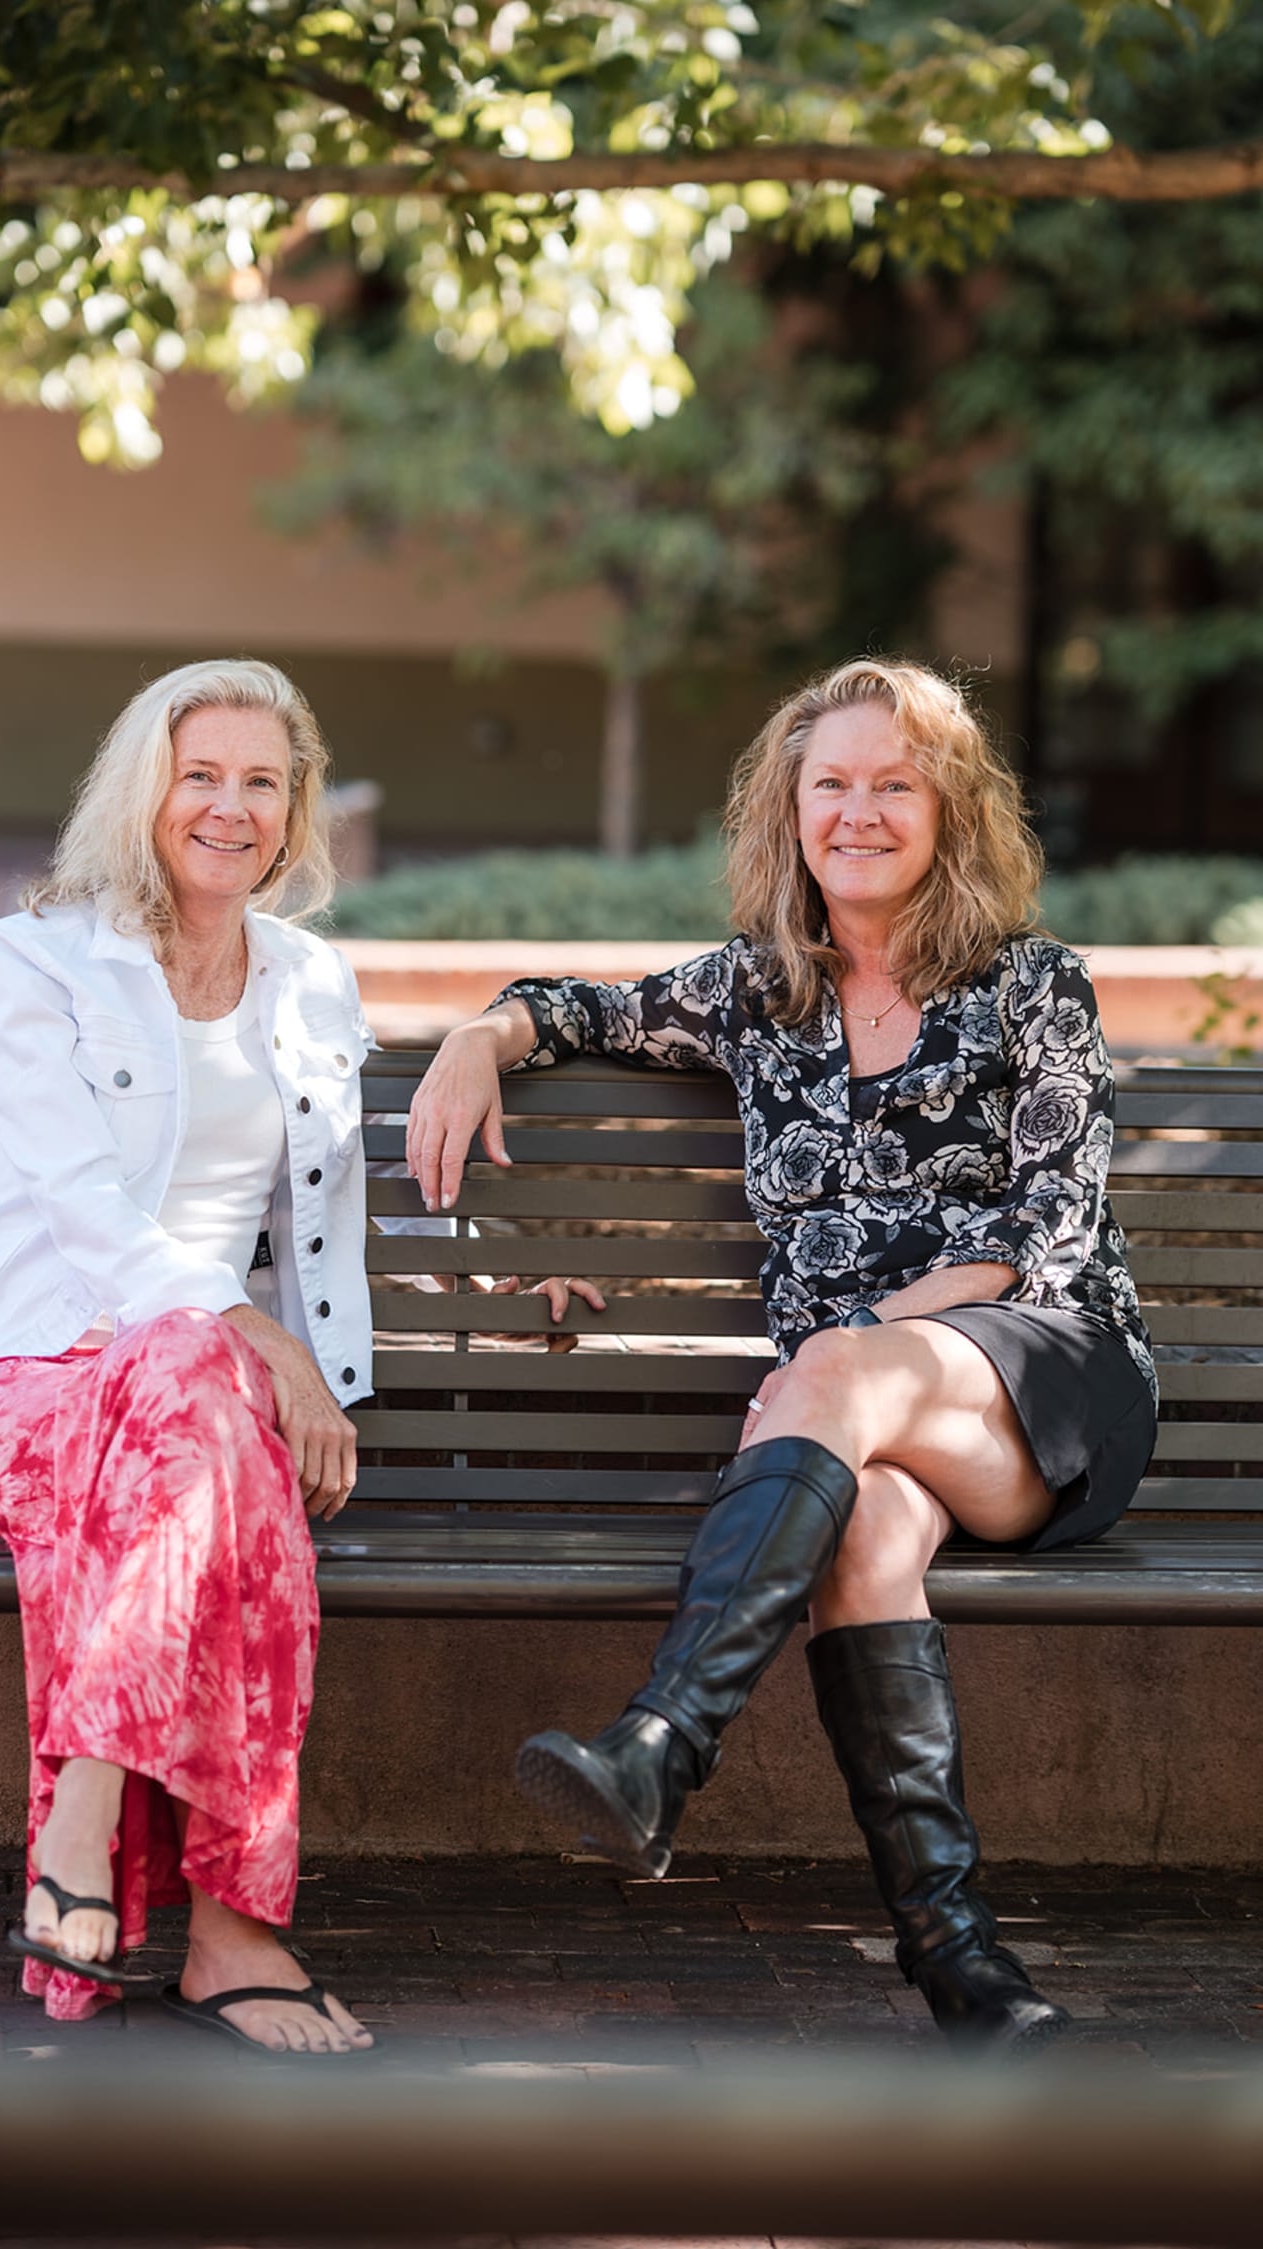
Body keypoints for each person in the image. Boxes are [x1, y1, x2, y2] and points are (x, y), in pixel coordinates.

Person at [405, 657, 1157, 2055]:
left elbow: (1043, 1229)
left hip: (1049, 1383)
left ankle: (661, 1742)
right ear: (789, 811)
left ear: (951, 811)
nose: (859, 811)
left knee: (837, 1371)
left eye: (895, 784)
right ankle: (966, 1969)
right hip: (870, 1429)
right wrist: (478, 1031)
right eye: (832, 784)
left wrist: (859, 1351)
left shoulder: (1035, 986)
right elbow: (583, 1007)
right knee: (864, 1524)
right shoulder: (759, 996)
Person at [0, 657, 381, 2057]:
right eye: (199, 774)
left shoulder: (310, 980)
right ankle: (234, 1924)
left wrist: (309, 1380)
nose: (231, 807)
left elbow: (321, 1217)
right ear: (143, 790)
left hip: (189, 1404)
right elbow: (79, 1206)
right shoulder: (35, 960)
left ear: (294, 813)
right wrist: (248, 1335)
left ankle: (89, 1821)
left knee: (205, 1419)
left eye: (262, 782)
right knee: (191, 1378)